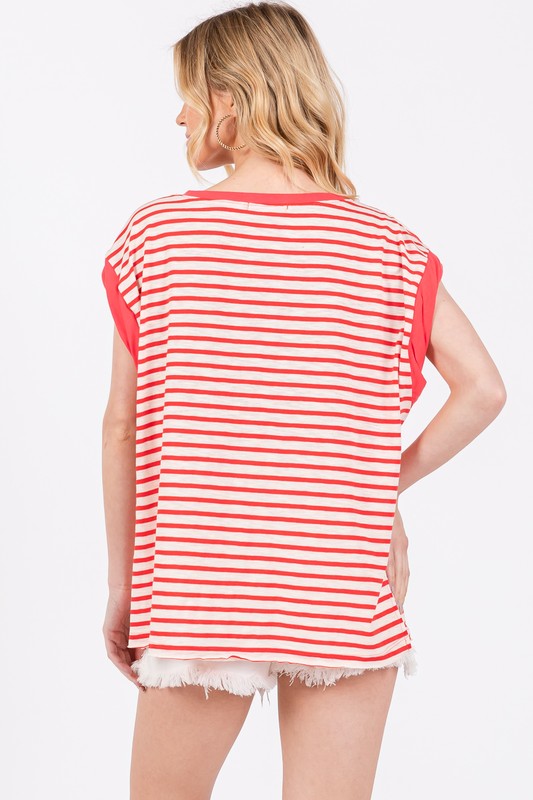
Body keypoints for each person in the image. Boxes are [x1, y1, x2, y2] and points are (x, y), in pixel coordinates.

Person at [100, 3, 507, 798]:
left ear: (228, 97)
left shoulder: (158, 236)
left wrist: (123, 588)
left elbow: (122, 427)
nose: (179, 116)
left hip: (199, 583)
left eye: (188, 94)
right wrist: (377, 486)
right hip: (339, 576)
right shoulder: (388, 246)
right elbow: (483, 390)